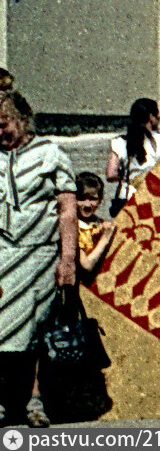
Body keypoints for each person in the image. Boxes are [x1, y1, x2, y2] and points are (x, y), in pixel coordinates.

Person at [0, 91, 76, 426]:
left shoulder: (51, 154)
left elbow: (67, 210)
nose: (0, 132)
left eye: (3, 124)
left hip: (39, 257)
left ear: (21, 119)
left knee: (34, 333)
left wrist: (68, 259)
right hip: (1, 256)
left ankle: (34, 402)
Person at [105, 98, 160, 217]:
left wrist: (127, 175)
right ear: (151, 117)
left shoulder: (120, 142)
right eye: (157, 114)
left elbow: (110, 175)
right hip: (152, 199)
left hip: (126, 199)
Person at [73, 172, 116, 283]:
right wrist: (105, 238)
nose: (87, 204)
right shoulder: (71, 227)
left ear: (100, 199)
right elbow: (86, 265)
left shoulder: (100, 224)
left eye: (93, 199)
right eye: (82, 198)